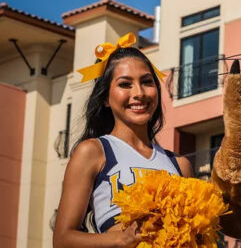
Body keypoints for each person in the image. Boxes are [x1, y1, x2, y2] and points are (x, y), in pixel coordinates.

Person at [53, 33, 193, 248]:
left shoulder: (180, 165)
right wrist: (124, 238)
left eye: (147, 82)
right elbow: (63, 239)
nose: (138, 93)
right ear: (106, 99)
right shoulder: (93, 151)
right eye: (125, 84)